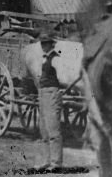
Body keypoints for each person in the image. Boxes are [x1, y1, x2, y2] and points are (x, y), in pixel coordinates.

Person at [36, 31, 63, 171]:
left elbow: (62, 77)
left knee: (53, 130)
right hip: (42, 93)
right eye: (41, 43)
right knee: (44, 130)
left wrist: (57, 91)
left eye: (45, 43)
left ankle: (56, 163)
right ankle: (46, 161)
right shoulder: (44, 58)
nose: (43, 46)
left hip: (52, 93)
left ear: (51, 44)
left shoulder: (55, 58)